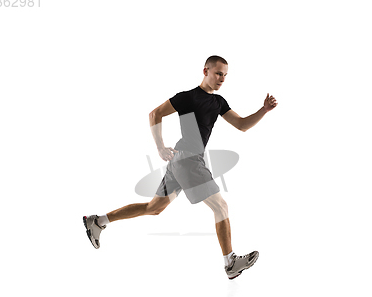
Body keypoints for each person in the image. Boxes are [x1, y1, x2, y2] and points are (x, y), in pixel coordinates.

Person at [83, 55, 278, 279]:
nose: (222, 78)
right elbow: (155, 114)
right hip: (188, 160)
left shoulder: (219, 102)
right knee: (220, 207)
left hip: (183, 161)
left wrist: (263, 110)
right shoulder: (188, 97)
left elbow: (242, 125)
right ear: (205, 71)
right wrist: (159, 147)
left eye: (225, 75)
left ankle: (97, 221)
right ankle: (230, 262)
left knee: (153, 208)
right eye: (218, 73)